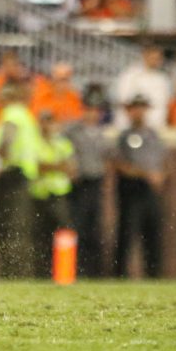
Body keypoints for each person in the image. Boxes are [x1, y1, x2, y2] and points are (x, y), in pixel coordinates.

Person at [0, 83, 40, 277]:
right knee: (20, 225)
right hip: (25, 174)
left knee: (11, 225)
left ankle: (12, 272)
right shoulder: (27, 115)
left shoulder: (12, 113)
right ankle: (20, 270)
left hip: (13, 174)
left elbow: (6, 142)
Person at [113, 95, 166, 278]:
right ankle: (120, 275)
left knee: (153, 234)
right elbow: (119, 164)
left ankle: (154, 275)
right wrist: (146, 174)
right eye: (136, 107)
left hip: (151, 192)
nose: (139, 112)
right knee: (127, 234)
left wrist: (161, 175)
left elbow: (164, 162)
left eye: (142, 107)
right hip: (131, 191)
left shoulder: (153, 135)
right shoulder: (124, 136)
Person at [64, 90, 111, 277]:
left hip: (96, 183)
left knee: (95, 229)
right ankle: (76, 270)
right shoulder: (72, 131)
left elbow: (107, 159)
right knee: (78, 227)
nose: (92, 113)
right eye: (89, 109)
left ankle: (93, 272)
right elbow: (64, 150)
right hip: (79, 184)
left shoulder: (101, 133)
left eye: (96, 110)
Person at [31, 110, 75, 277]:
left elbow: (71, 168)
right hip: (39, 194)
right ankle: (40, 273)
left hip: (59, 193)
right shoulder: (34, 142)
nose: (46, 125)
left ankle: (64, 271)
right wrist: (57, 166)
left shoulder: (62, 143)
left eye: (50, 121)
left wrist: (49, 166)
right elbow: (36, 167)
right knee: (40, 235)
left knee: (63, 233)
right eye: (44, 121)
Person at [114, 42, 171, 130]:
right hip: (133, 128)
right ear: (145, 56)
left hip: (157, 127)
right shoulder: (130, 76)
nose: (157, 61)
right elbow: (124, 100)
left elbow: (165, 103)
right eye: (154, 57)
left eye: (159, 58)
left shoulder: (162, 79)